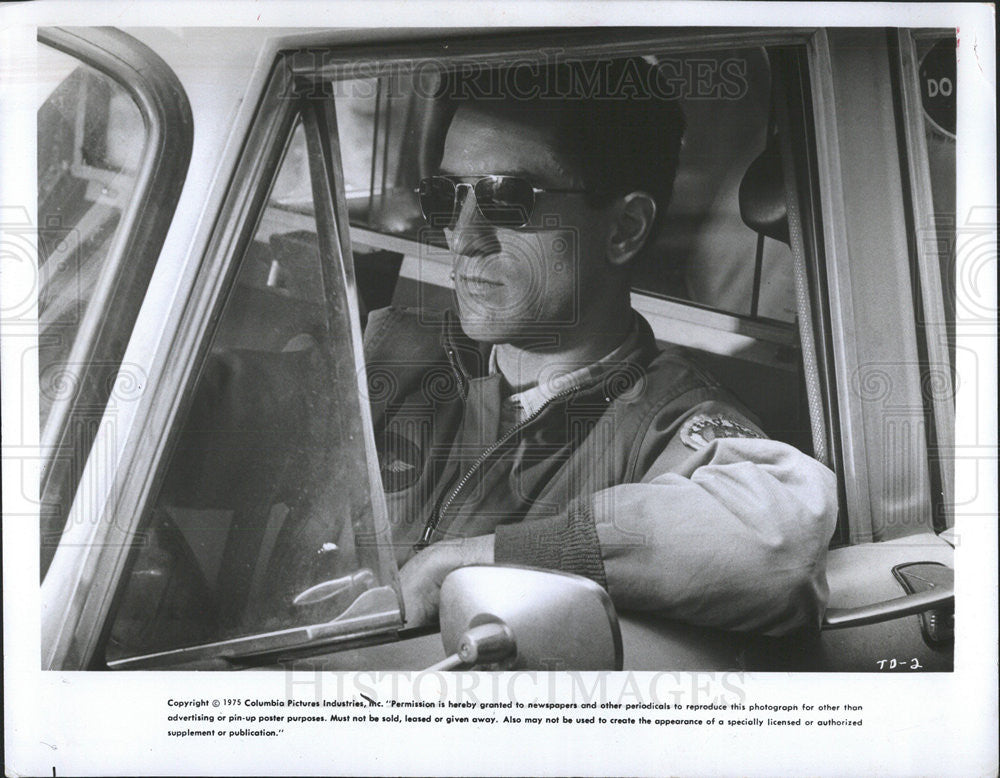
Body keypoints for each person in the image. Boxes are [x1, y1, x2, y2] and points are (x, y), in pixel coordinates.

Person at [364, 57, 838, 633]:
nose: (462, 238)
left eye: (506, 198)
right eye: (445, 194)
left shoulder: (668, 426)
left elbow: (776, 541)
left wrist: (467, 562)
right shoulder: (388, 350)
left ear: (624, 228)